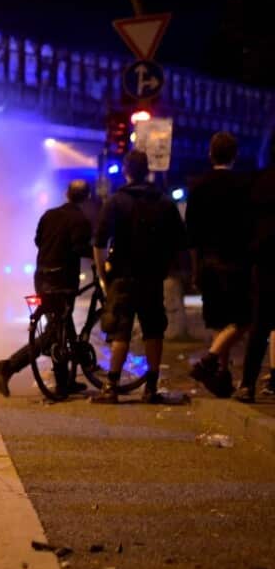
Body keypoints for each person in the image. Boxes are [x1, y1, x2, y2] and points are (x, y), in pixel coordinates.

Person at [91, 150, 187, 405]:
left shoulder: (116, 201)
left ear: (126, 171)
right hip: (152, 276)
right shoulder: (164, 202)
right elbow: (180, 241)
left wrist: (103, 274)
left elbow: (99, 242)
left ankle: (111, 386)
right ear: (148, 171)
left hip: (122, 276)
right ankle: (151, 387)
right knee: (154, 330)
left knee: (120, 331)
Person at [0, 180, 95, 397]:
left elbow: (38, 241)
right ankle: (9, 366)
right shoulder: (80, 220)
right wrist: (98, 255)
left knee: (62, 327)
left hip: (42, 276)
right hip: (63, 280)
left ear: (66, 193)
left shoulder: (49, 215)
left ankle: (64, 382)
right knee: (54, 332)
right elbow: (79, 248)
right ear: (87, 197)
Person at [186, 132, 251, 397]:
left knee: (217, 319)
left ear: (210, 154)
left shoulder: (198, 186)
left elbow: (191, 235)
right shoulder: (243, 186)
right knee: (244, 319)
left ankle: (222, 375)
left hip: (207, 263)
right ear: (235, 155)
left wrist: (194, 268)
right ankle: (210, 361)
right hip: (236, 262)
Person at [235, 141, 275, 402]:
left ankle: (247, 384)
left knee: (259, 326)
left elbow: (245, 225)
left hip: (265, 261)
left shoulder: (258, 182)